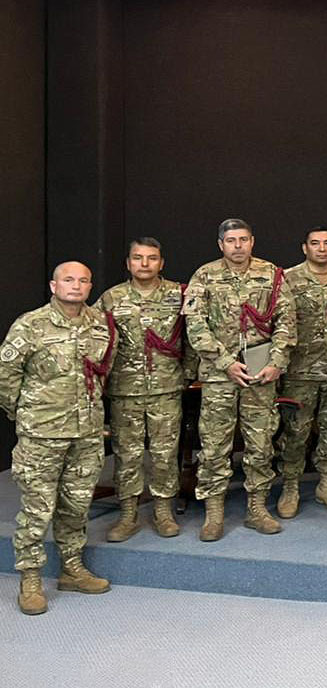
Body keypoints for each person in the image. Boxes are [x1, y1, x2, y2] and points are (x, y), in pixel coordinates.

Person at [1, 262, 115, 615]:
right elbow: (6, 376)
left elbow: (103, 372)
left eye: (83, 280)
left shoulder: (100, 324)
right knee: (38, 509)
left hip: (86, 433)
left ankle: (72, 568)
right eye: (68, 280)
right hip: (42, 434)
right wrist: (24, 415)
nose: (76, 286)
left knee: (77, 505)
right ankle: (31, 578)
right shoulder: (31, 324)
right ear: (53, 285)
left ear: (90, 286)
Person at [184, 218, 296, 541]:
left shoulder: (271, 274)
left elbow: (287, 320)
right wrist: (225, 362)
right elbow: (196, 327)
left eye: (243, 239)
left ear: (252, 242)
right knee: (215, 445)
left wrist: (276, 362)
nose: (237, 246)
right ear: (221, 244)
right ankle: (214, 511)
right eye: (231, 240)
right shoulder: (204, 276)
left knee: (261, 444)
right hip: (221, 375)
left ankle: (257, 508)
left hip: (261, 372)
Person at [96, 238, 192, 541]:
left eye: (151, 258)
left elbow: (195, 335)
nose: (145, 264)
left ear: (161, 263)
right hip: (125, 389)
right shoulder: (112, 298)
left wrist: (188, 374)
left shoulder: (179, 295)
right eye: (138, 258)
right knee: (127, 453)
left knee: (165, 453)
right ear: (128, 263)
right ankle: (128, 514)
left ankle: (163, 510)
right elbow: (98, 342)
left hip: (166, 387)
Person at [276, 227, 327, 518]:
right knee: (295, 432)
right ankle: (291, 486)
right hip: (300, 371)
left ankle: (326, 483)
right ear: (304, 247)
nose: (321, 249)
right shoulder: (287, 278)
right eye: (315, 243)